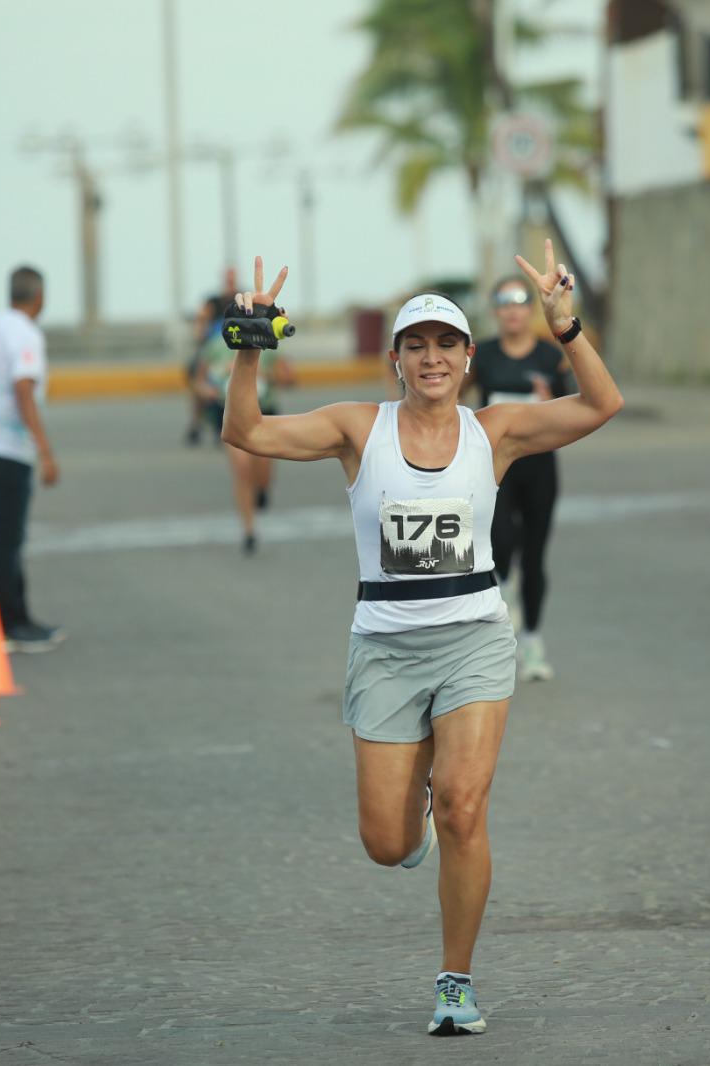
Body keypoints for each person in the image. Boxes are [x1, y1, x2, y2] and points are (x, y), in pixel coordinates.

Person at [221, 241, 622, 1036]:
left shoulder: (496, 431)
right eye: (416, 345)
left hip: (473, 639)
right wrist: (252, 343)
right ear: (395, 360)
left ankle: (455, 982)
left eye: (446, 343)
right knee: (385, 841)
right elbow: (247, 433)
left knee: (465, 813)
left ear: (468, 357)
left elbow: (600, 405)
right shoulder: (354, 428)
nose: (432, 358)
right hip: (386, 649)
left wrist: (566, 327)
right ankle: (417, 806)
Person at [468, 276, 573, 681]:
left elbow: (572, 409)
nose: (512, 309)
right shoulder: (484, 355)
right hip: (495, 468)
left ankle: (531, 640)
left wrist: (552, 402)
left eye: (520, 301)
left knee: (534, 556)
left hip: (539, 467)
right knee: (499, 545)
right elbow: (452, 396)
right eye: (504, 301)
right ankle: (503, 595)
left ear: (530, 309)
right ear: (495, 310)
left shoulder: (549, 356)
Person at [0, 265, 65, 653]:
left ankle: (12, 618)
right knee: (10, 539)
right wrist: (45, 449)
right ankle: (13, 623)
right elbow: (23, 387)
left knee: (2, 538)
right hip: (7, 447)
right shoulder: (25, 333)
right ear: (39, 298)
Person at [194, 306, 295, 554]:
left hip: (265, 413)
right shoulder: (215, 345)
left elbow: (289, 379)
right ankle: (249, 531)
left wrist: (265, 374)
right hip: (230, 413)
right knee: (241, 469)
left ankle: (261, 491)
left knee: (262, 472)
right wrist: (207, 391)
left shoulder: (269, 343)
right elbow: (199, 381)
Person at [184, 295, 225, 446]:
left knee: (203, 388)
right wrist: (201, 321)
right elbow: (199, 339)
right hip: (208, 363)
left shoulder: (221, 326)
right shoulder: (208, 326)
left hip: (218, 364)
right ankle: (197, 423)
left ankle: (202, 423)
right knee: (199, 390)